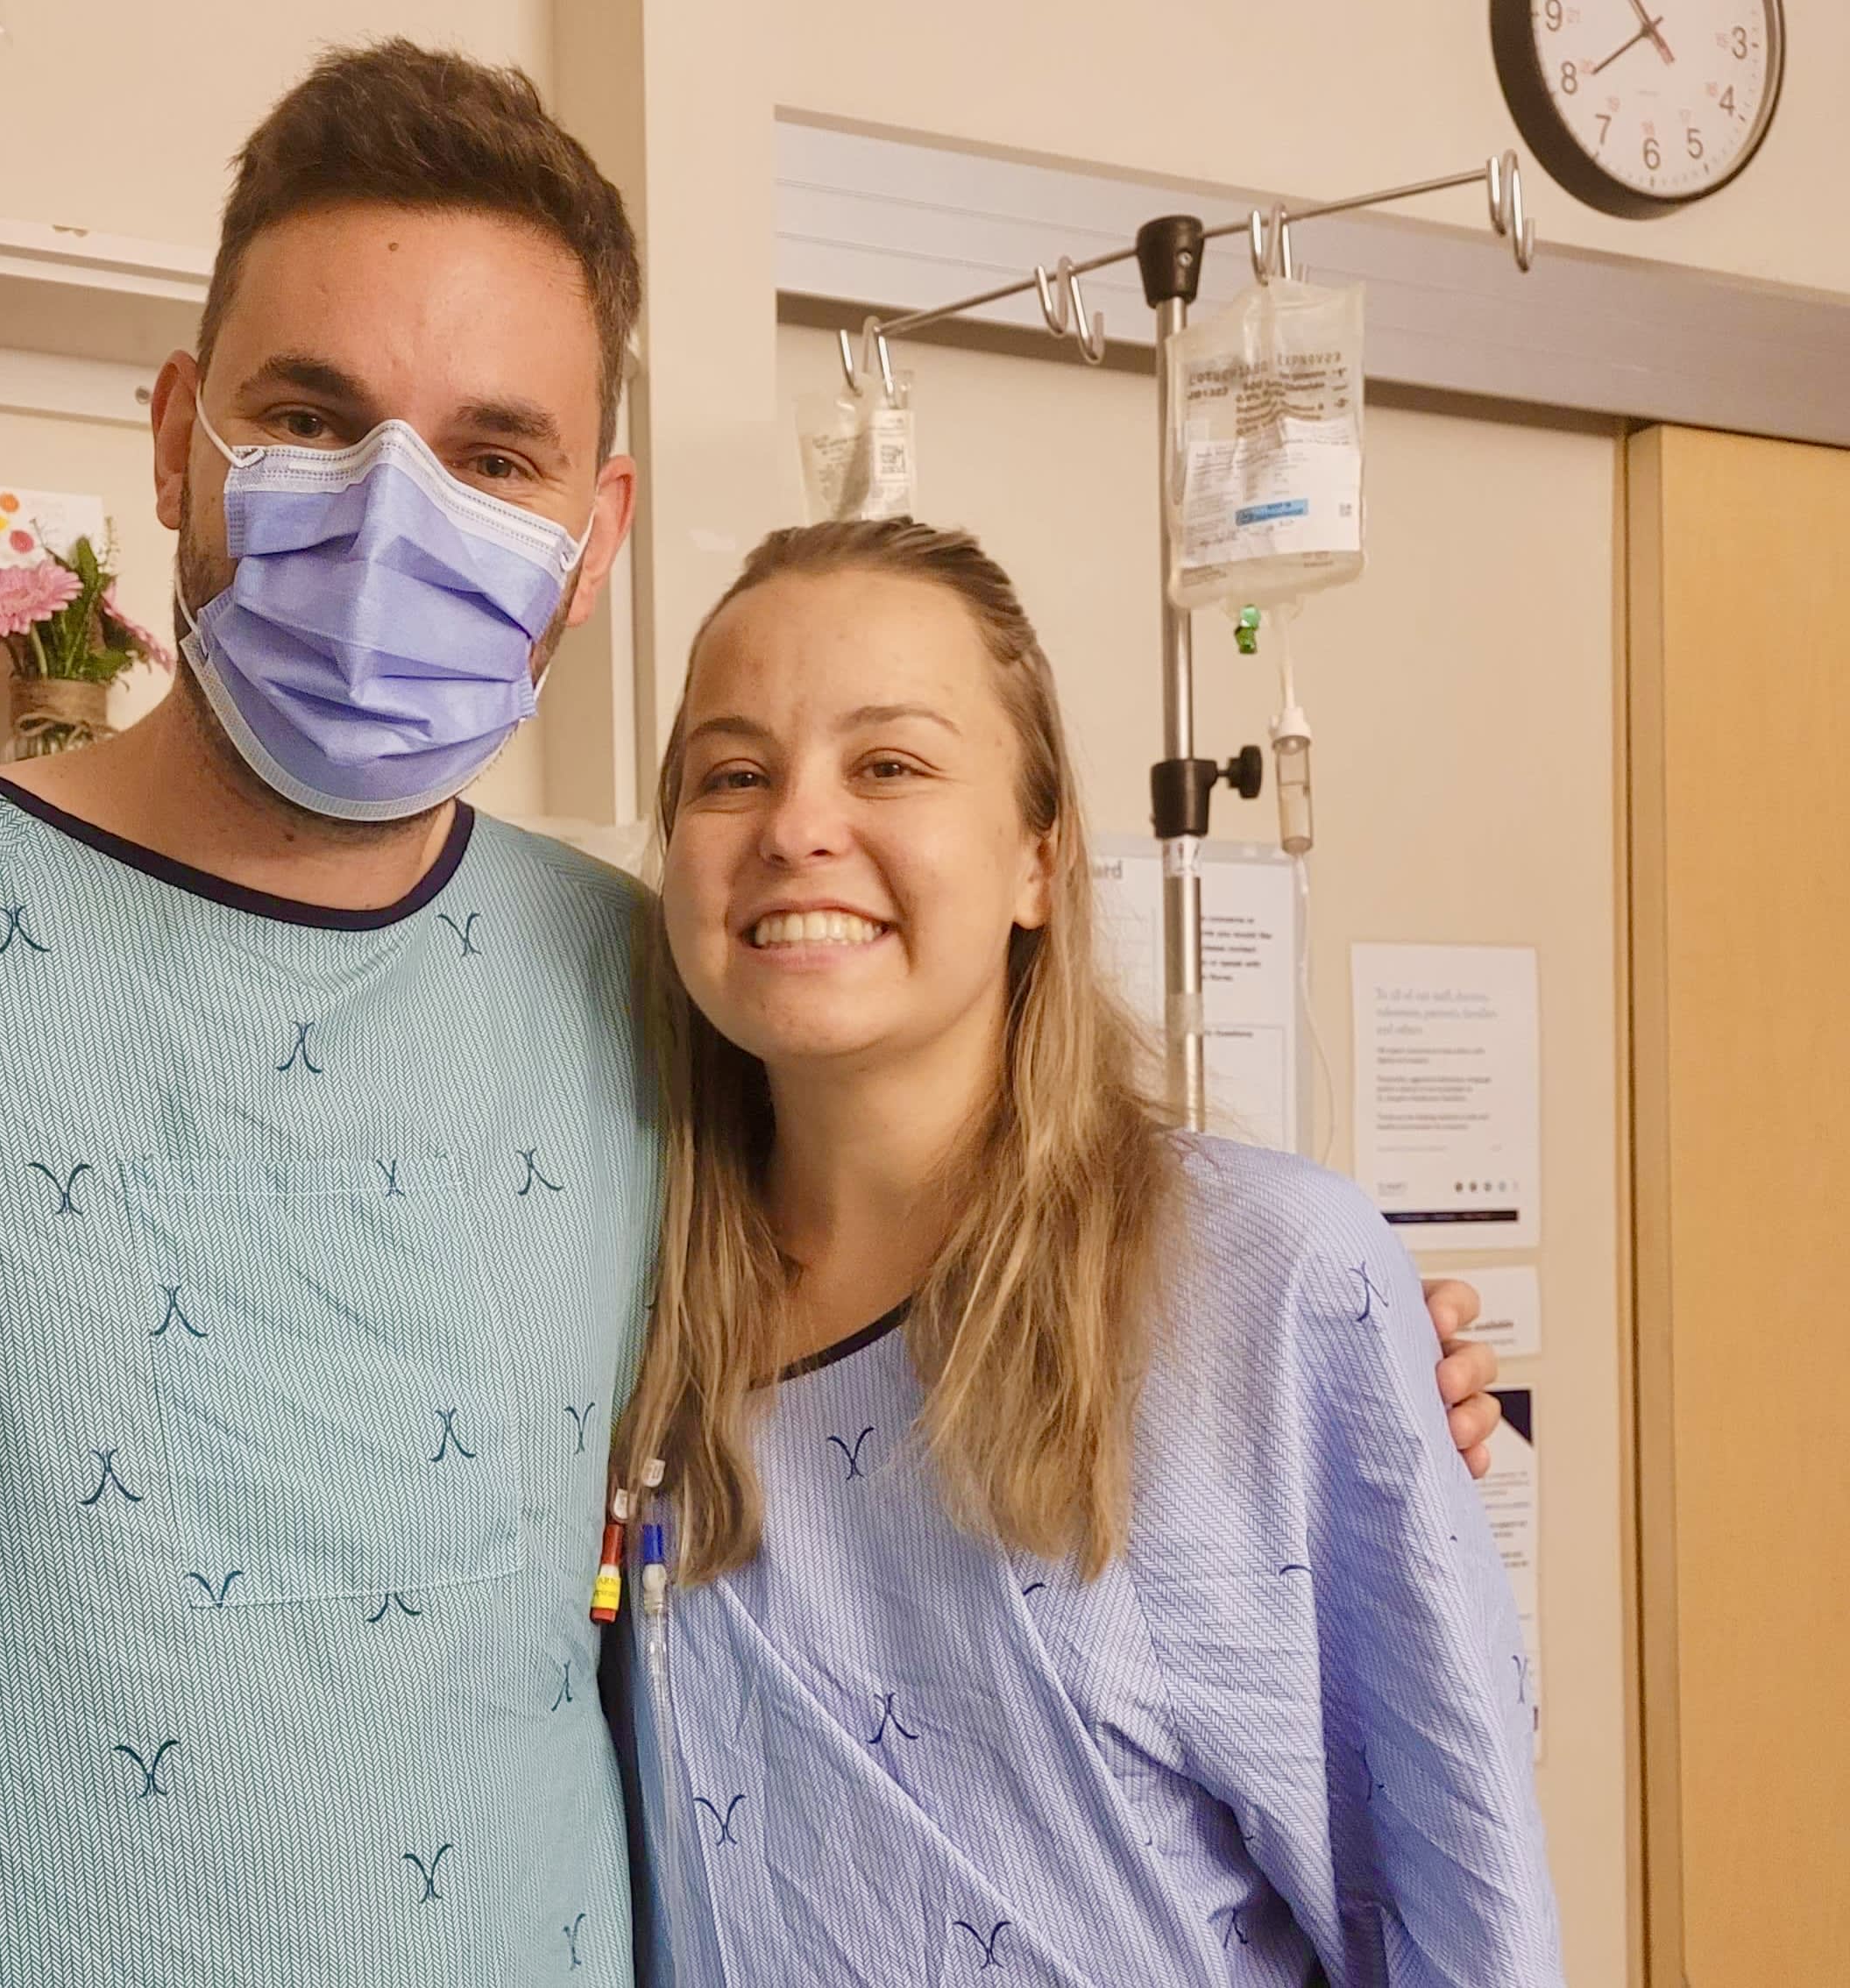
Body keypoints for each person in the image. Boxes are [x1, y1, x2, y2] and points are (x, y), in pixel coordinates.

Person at [0, 44, 1500, 1987]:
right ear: (182, 442)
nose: (401, 514)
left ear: (594, 539)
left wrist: (1326, 1375)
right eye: (312, 421)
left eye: (497, 454)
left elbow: (937, 1272)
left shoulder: (637, 988)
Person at [613, 518, 1561, 1985]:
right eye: (731, 774)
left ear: (1039, 862)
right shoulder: (627, 1312)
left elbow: (1461, 1918)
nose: (796, 824)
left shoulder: (1261, 1291)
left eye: (890, 765)